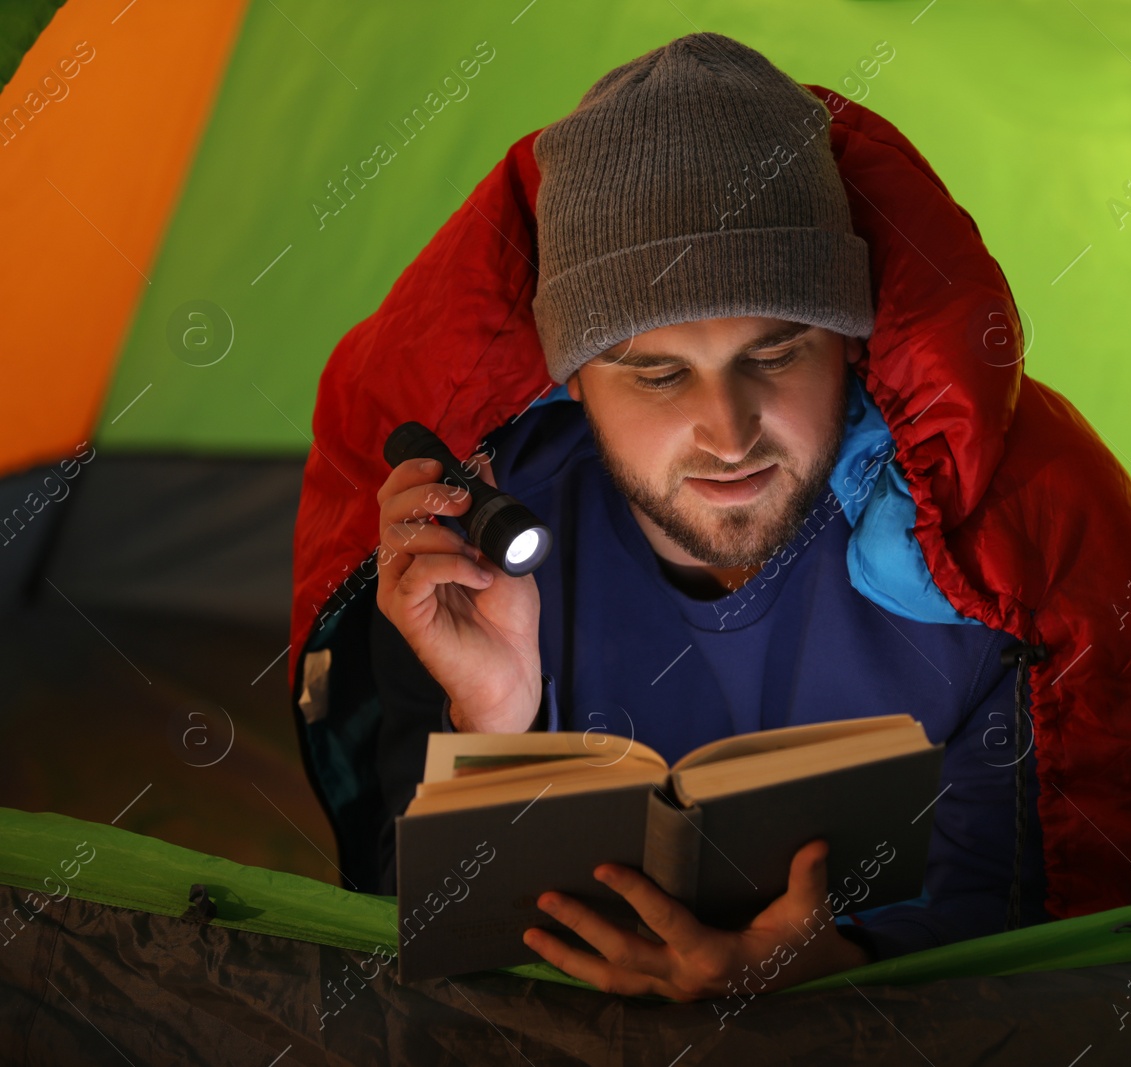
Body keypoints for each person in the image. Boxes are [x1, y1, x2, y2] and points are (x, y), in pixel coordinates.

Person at [366, 33, 1050, 1001]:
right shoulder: (485, 555)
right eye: (657, 373)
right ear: (572, 382)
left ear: (849, 346)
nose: (728, 432)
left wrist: (838, 979)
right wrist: (495, 722)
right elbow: (421, 968)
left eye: (777, 353)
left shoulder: (963, 550)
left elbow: (1034, 923)